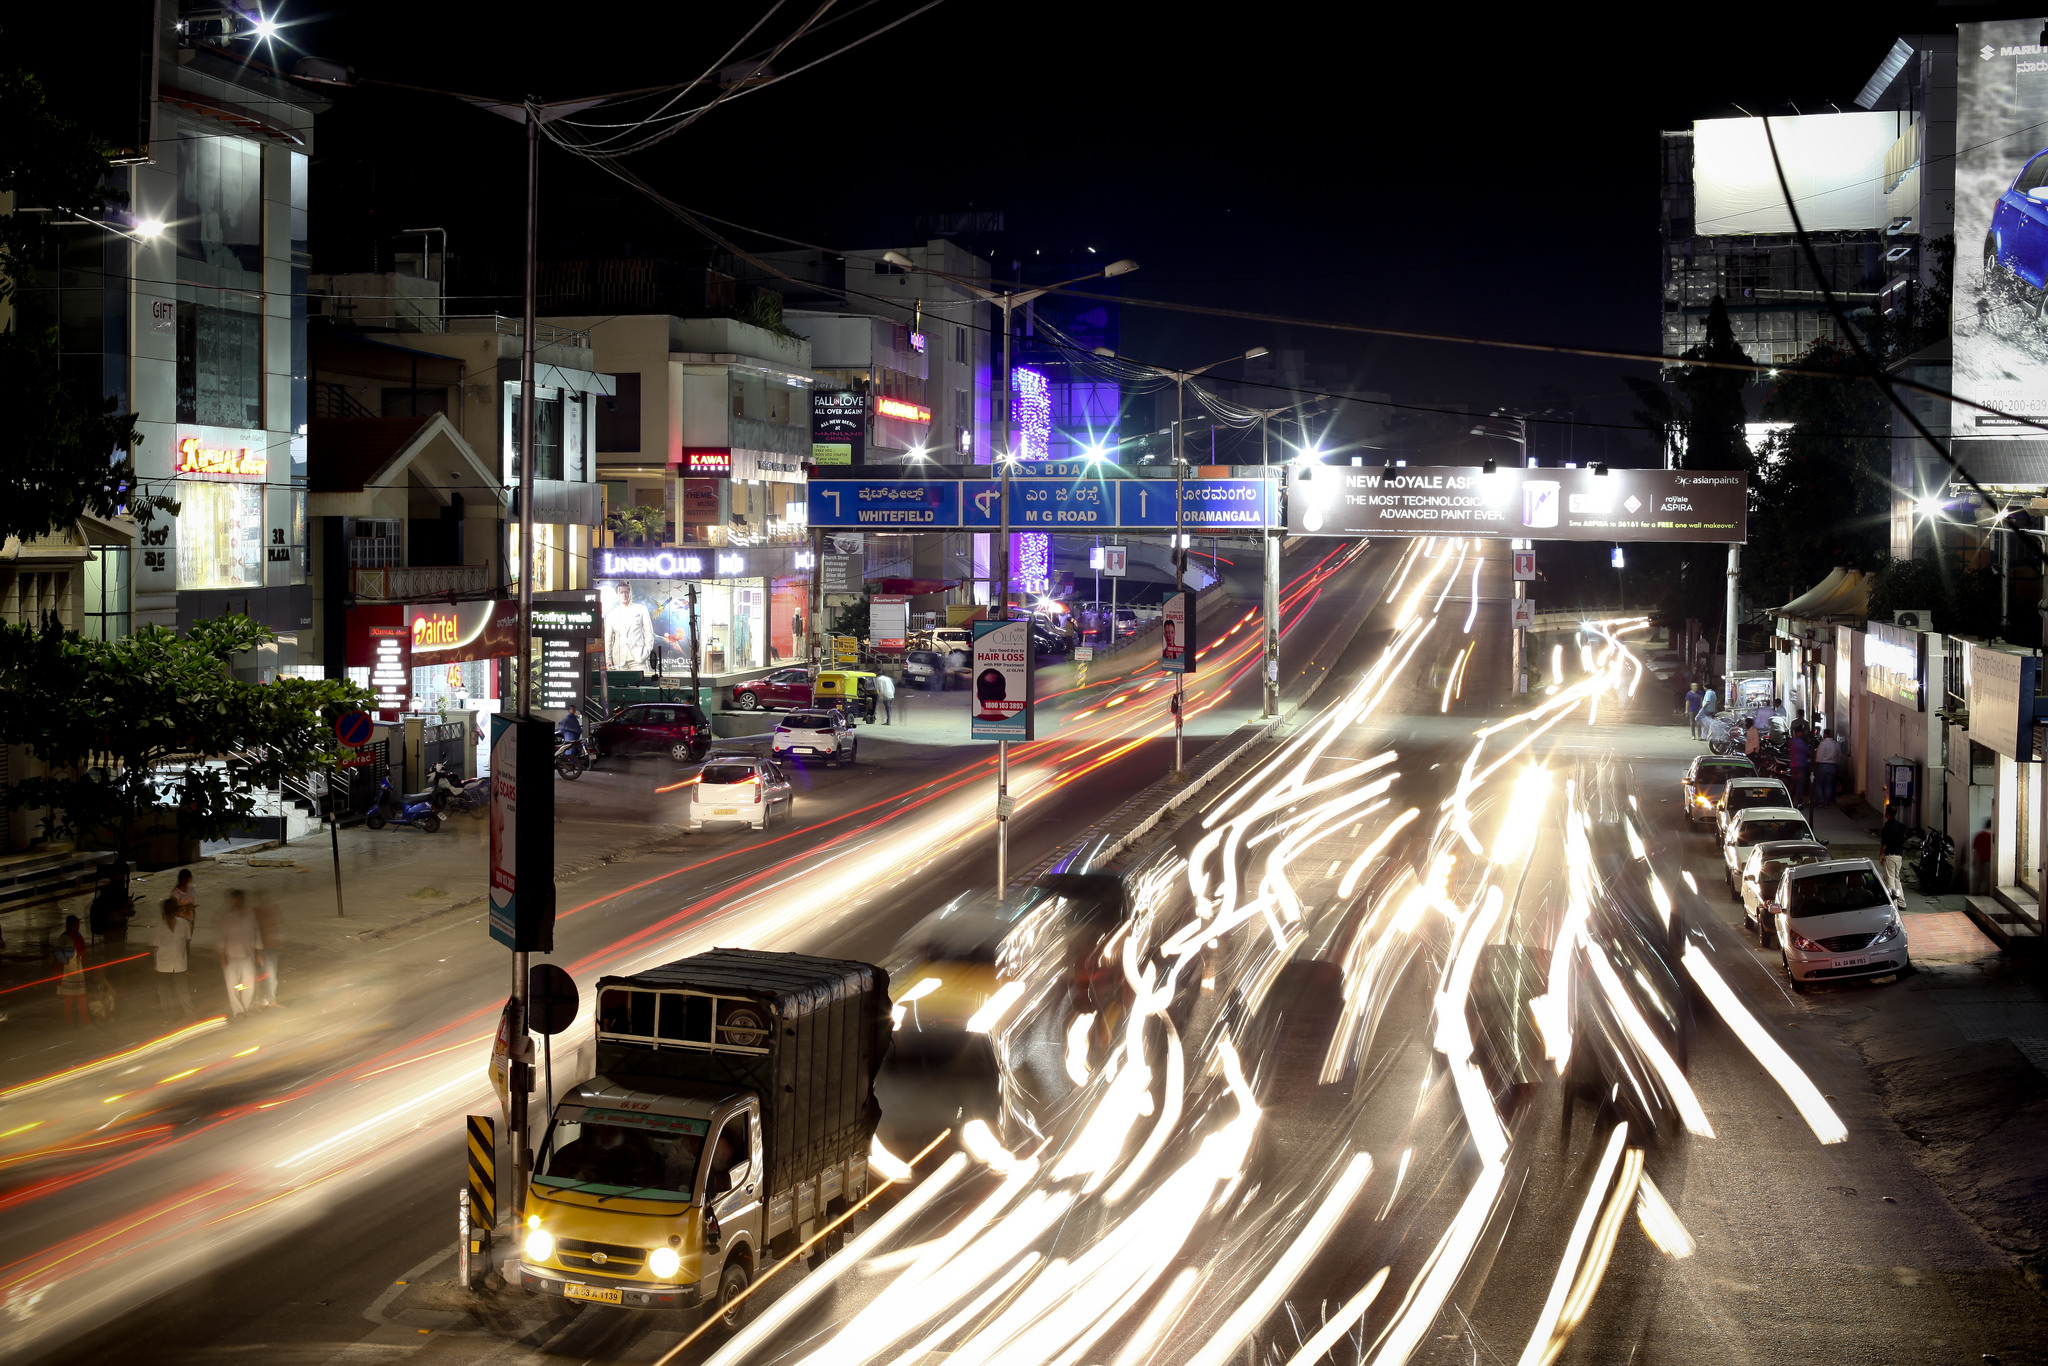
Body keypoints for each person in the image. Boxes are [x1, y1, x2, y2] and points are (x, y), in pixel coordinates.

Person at [219, 889, 261, 1020]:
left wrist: (258, 952)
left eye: (240, 898)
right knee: (233, 986)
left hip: (247, 954)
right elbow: (222, 937)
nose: (238, 901)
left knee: (249, 983)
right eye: (235, 899)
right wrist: (222, 955)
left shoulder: (250, 914)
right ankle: (238, 1012)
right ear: (232, 900)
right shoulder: (227, 916)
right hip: (231, 955)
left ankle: (246, 1008)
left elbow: (256, 933)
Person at [154, 898, 194, 1023]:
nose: (172, 911)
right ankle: (169, 1017)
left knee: (183, 991)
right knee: (164, 994)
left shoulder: (184, 924)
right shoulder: (159, 927)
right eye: (170, 908)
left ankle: (191, 1017)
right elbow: (156, 947)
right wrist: (154, 966)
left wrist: (189, 963)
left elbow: (187, 945)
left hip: (180, 963)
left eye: (174, 908)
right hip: (163, 964)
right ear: (166, 910)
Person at [53, 914, 90, 1029]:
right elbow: (57, 958)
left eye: (77, 925)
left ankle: (86, 1022)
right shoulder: (64, 939)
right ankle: (70, 1023)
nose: (76, 928)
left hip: (78, 971)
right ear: (69, 926)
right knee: (69, 999)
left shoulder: (78, 937)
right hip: (68, 973)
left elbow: (82, 952)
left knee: (81, 997)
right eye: (74, 926)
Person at [254, 892, 283, 1008]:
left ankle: (267, 1000)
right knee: (268, 975)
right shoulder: (259, 912)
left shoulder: (268, 910)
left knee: (269, 975)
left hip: (270, 946)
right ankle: (267, 1000)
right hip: (264, 947)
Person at [1879, 805, 1910, 904]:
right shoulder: (1901, 826)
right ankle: (1902, 902)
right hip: (1899, 856)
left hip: (1890, 855)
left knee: (1890, 880)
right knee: (1897, 879)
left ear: (1887, 813)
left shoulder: (1887, 827)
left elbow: (1884, 843)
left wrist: (1881, 855)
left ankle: (1893, 904)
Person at [1813, 729, 1841, 809]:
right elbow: (1839, 756)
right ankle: (1826, 803)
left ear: (1825, 734)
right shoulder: (1835, 744)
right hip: (1832, 766)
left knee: (1819, 785)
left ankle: (1818, 802)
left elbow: (1819, 756)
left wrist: (1816, 764)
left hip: (1823, 766)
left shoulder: (1823, 743)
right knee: (1829, 785)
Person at [1786, 727, 1811, 806]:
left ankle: (1790, 800)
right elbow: (1807, 751)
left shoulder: (1792, 742)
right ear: (1799, 733)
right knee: (1800, 783)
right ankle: (1800, 801)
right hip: (1801, 765)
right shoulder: (1802, 742)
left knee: (1794, 783)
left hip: (1794, 765)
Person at [1972, 818, 1995, 896]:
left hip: (1981, 861)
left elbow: (1975, 851)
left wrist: (1974, 862)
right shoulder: (1991, 837)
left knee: (1979, 879)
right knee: (1988, 880)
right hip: (1990, 861)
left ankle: (1976, 893)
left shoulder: (1978, 836)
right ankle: (1987, 893)